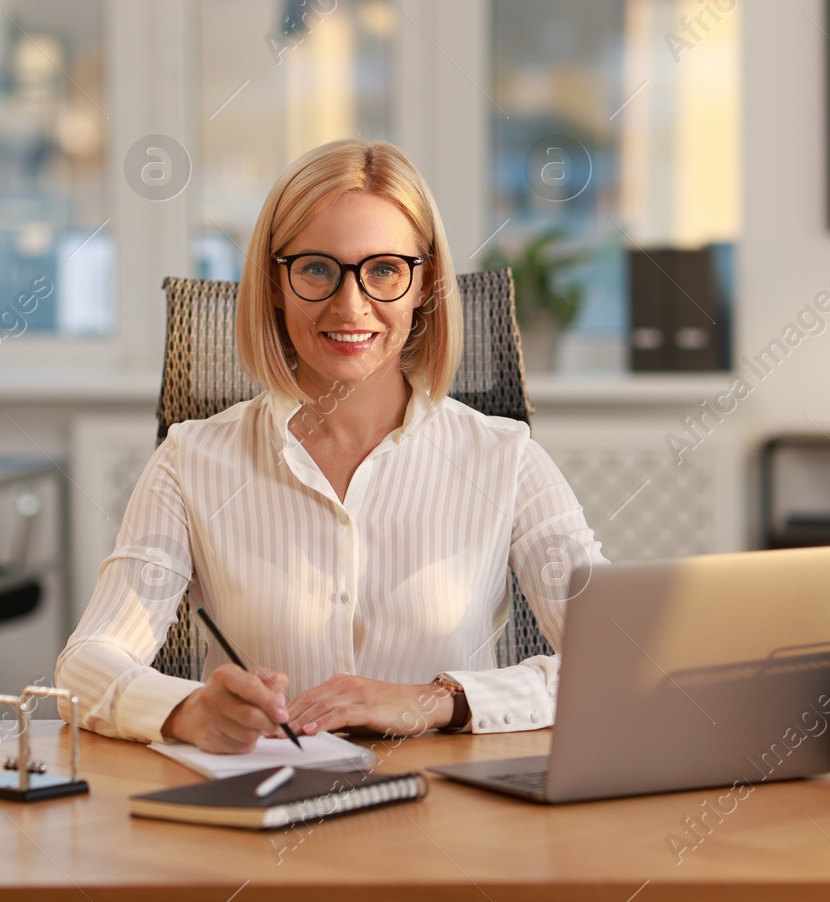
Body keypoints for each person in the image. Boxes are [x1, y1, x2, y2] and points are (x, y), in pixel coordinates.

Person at [55, 138, 605, 753]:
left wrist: (435, 701)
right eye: (317, 268)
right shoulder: (192, 460)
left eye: (385, 271)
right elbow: (85, 666)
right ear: (274, 283)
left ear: (423, 285)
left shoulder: (506, 459)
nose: (351, 305)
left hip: (448, 821)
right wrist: (187, 710)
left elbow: (621, 663)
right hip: (265, 812)